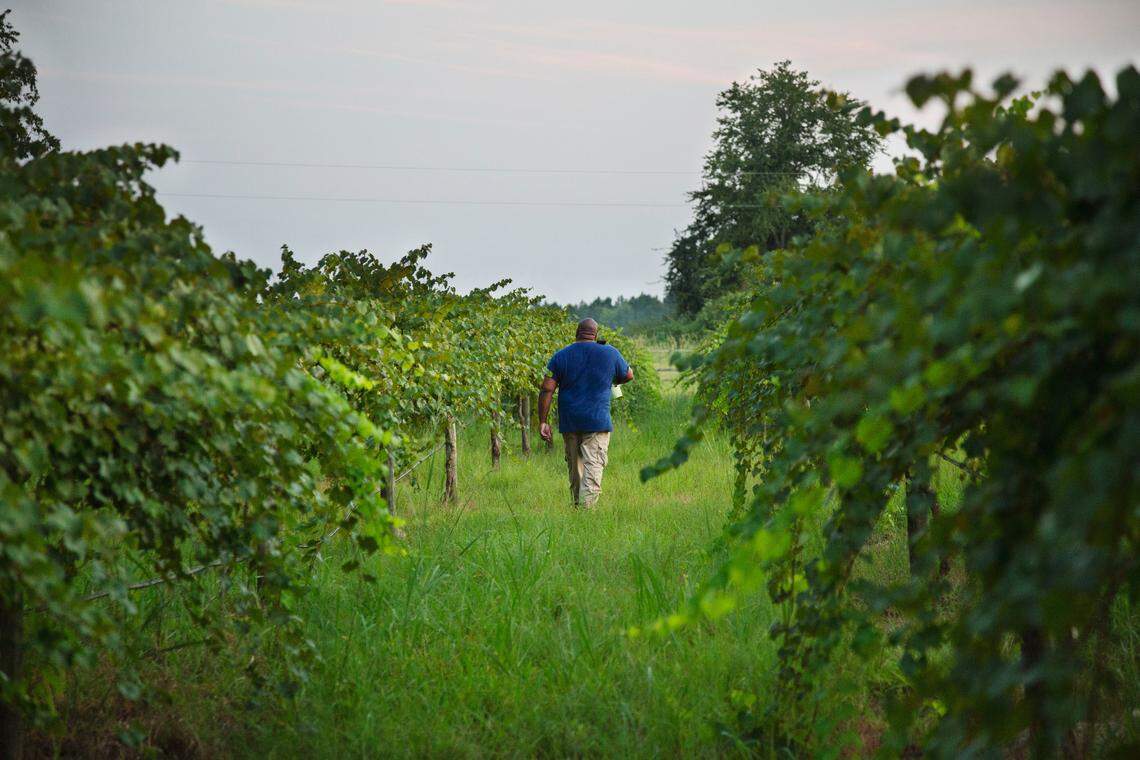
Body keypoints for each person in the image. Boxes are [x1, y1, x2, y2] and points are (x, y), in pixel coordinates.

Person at [538, 318, 634, 508]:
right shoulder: (610, 352)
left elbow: (547, 388)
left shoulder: (561, 356)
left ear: (576, 334)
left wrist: (543, 421)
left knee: (576, 470)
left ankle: (578, 508)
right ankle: (586, 513)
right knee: (593, 466)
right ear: (596, 335)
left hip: (570, 421)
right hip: (597, 421)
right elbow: (628, 375)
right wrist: (610, 380)